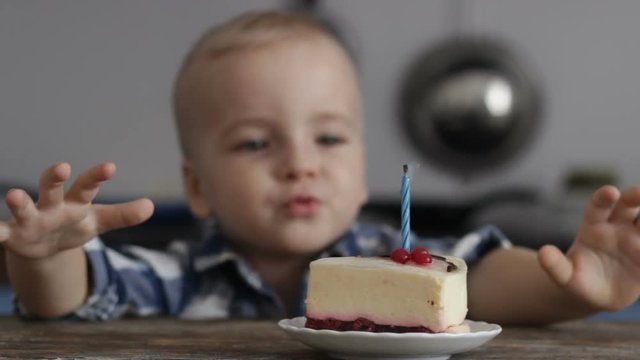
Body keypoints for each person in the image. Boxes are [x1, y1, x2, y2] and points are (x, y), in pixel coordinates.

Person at [1, 10, 639, 325]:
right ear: (196, 186)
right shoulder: (180, 278)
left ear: (362, 169)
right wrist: (45, 259)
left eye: (329, 139)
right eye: (256, 144)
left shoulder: (399, 258)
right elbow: (76, 298)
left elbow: (485, 275)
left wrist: (571, 287)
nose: (300, 166)